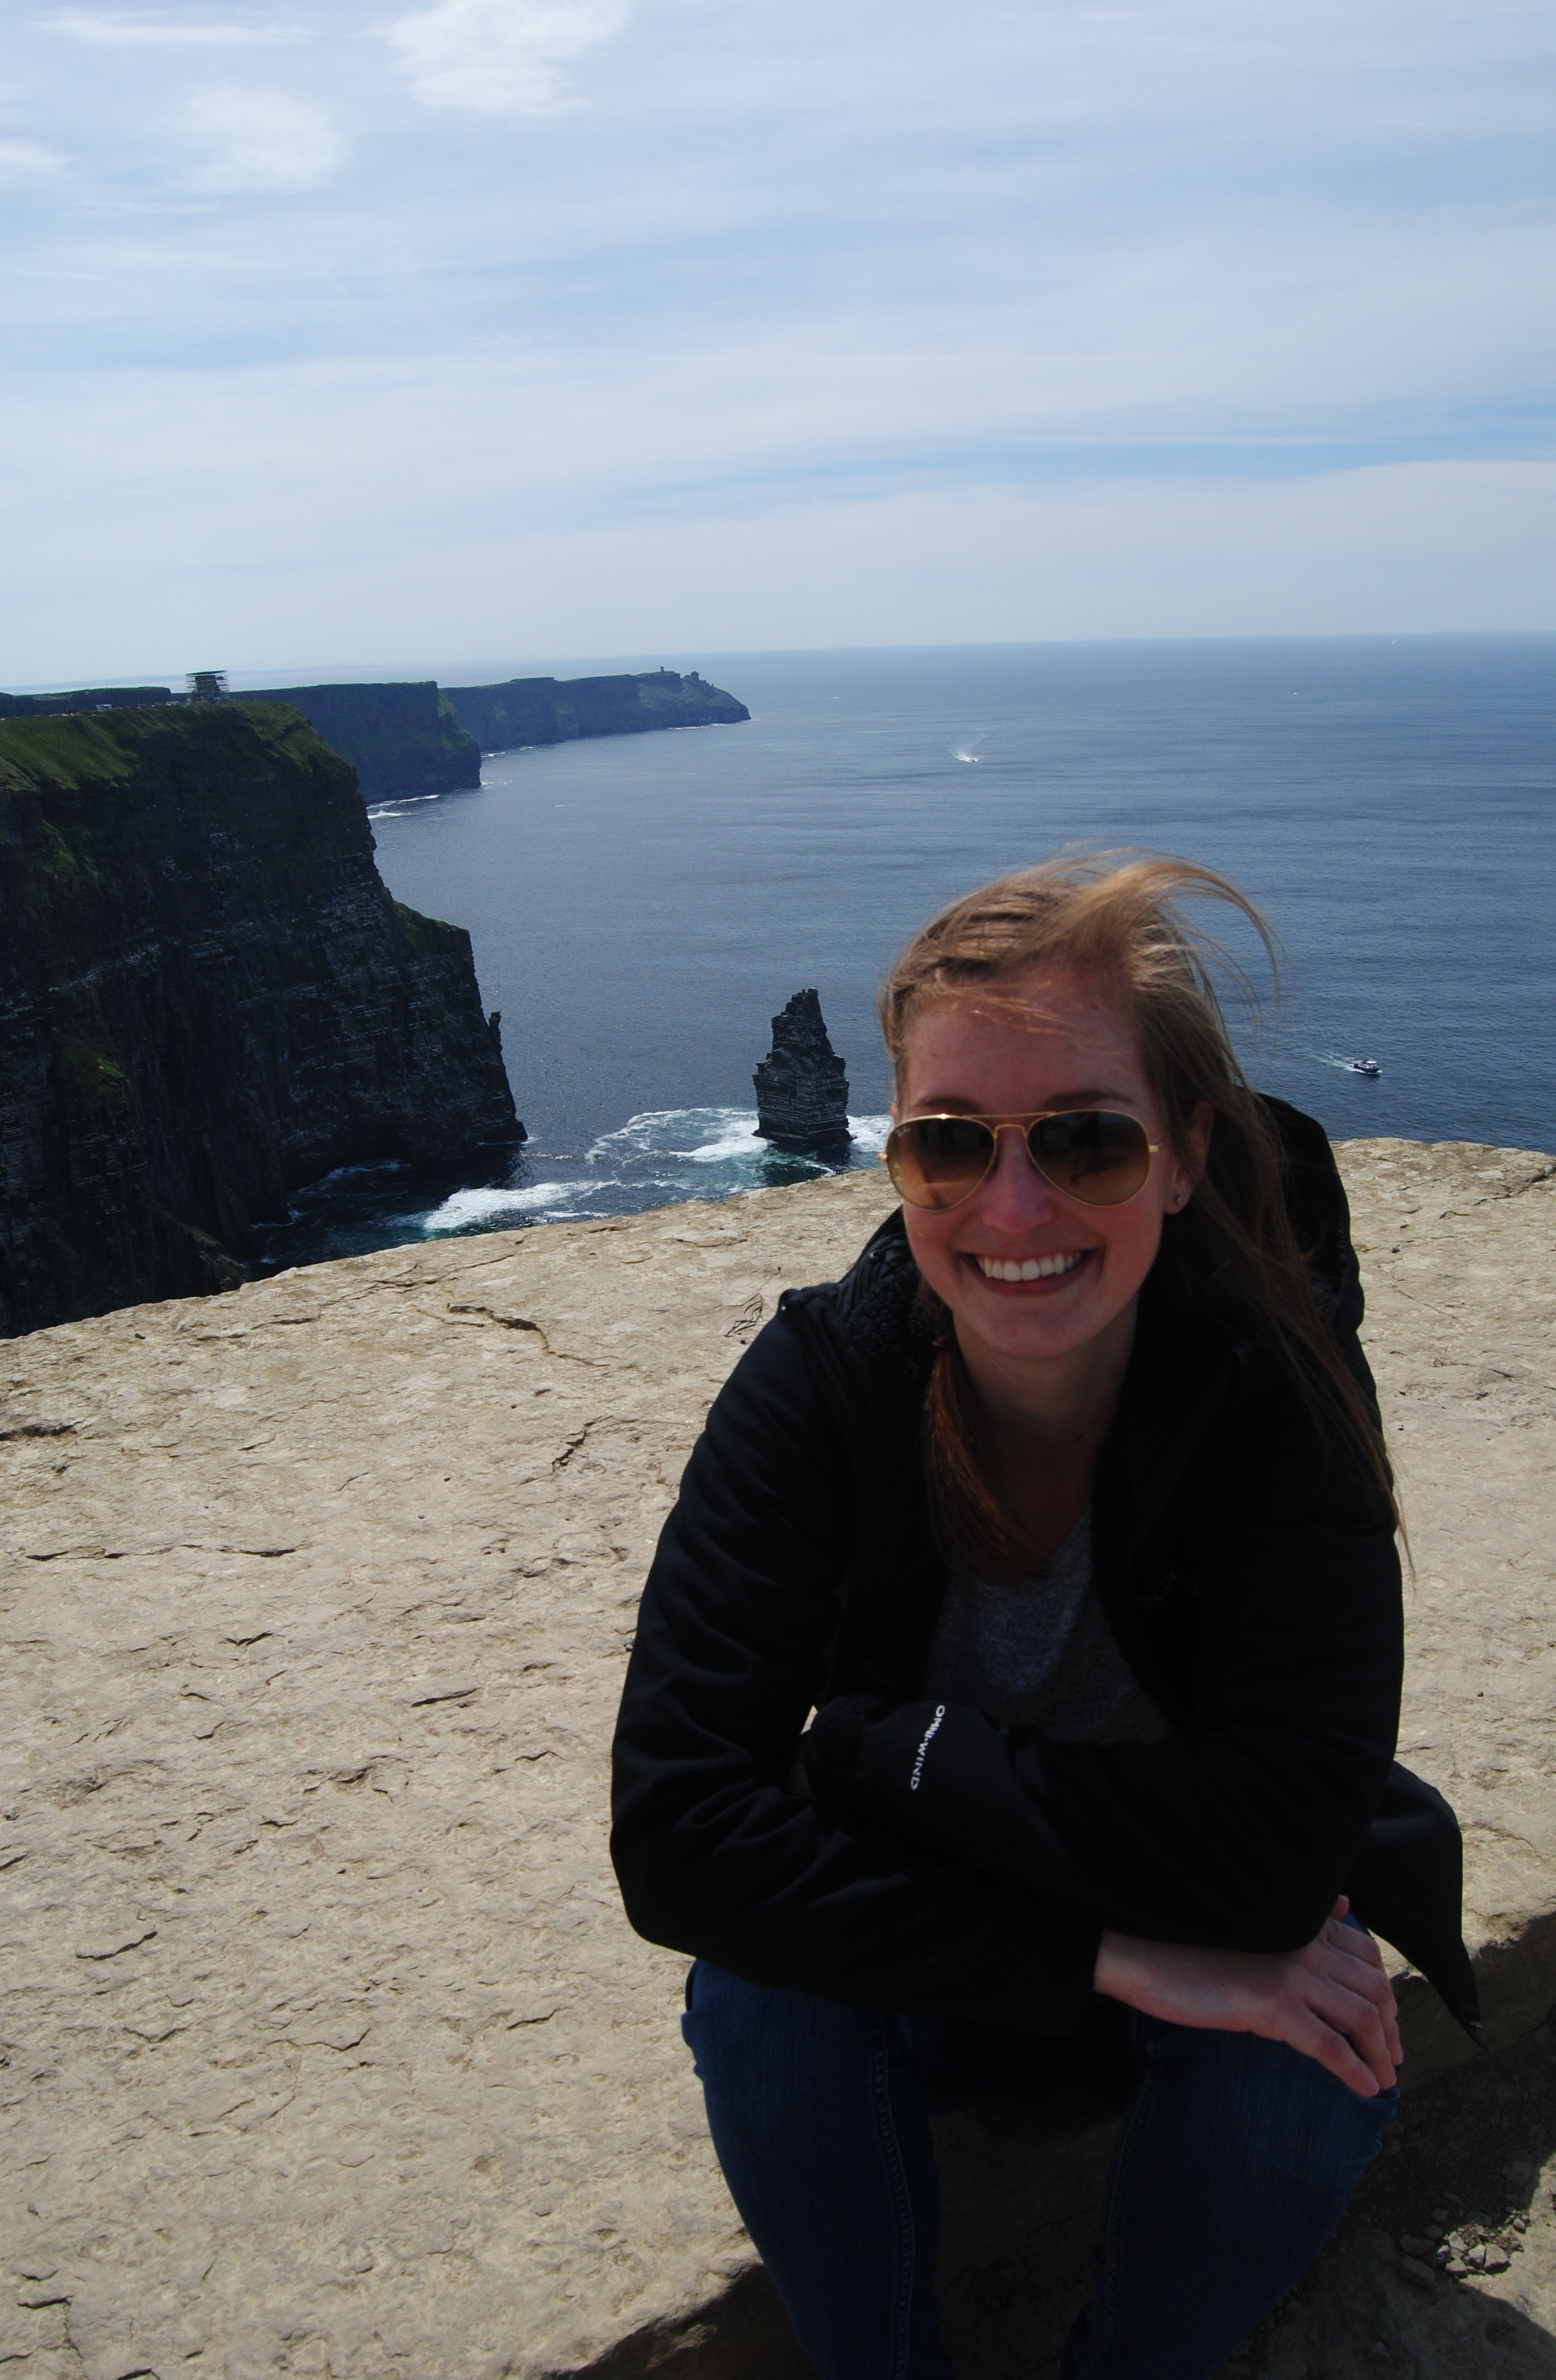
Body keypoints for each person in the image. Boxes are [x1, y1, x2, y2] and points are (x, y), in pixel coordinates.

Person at [610, 855, 1477, 2379]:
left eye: (1087, 1140)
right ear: (897, 1157)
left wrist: (875, 1752)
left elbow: (1279, 1849)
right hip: (1077, 1947)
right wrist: (1113, 1954)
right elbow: (679, 1833)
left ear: (1186, 1155)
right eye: (950, 1143)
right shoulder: (822, 1384)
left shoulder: (1276, 1389)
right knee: (762, 2005)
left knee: (1309, 2062)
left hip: (1168, 1932)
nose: (1014, 1208)